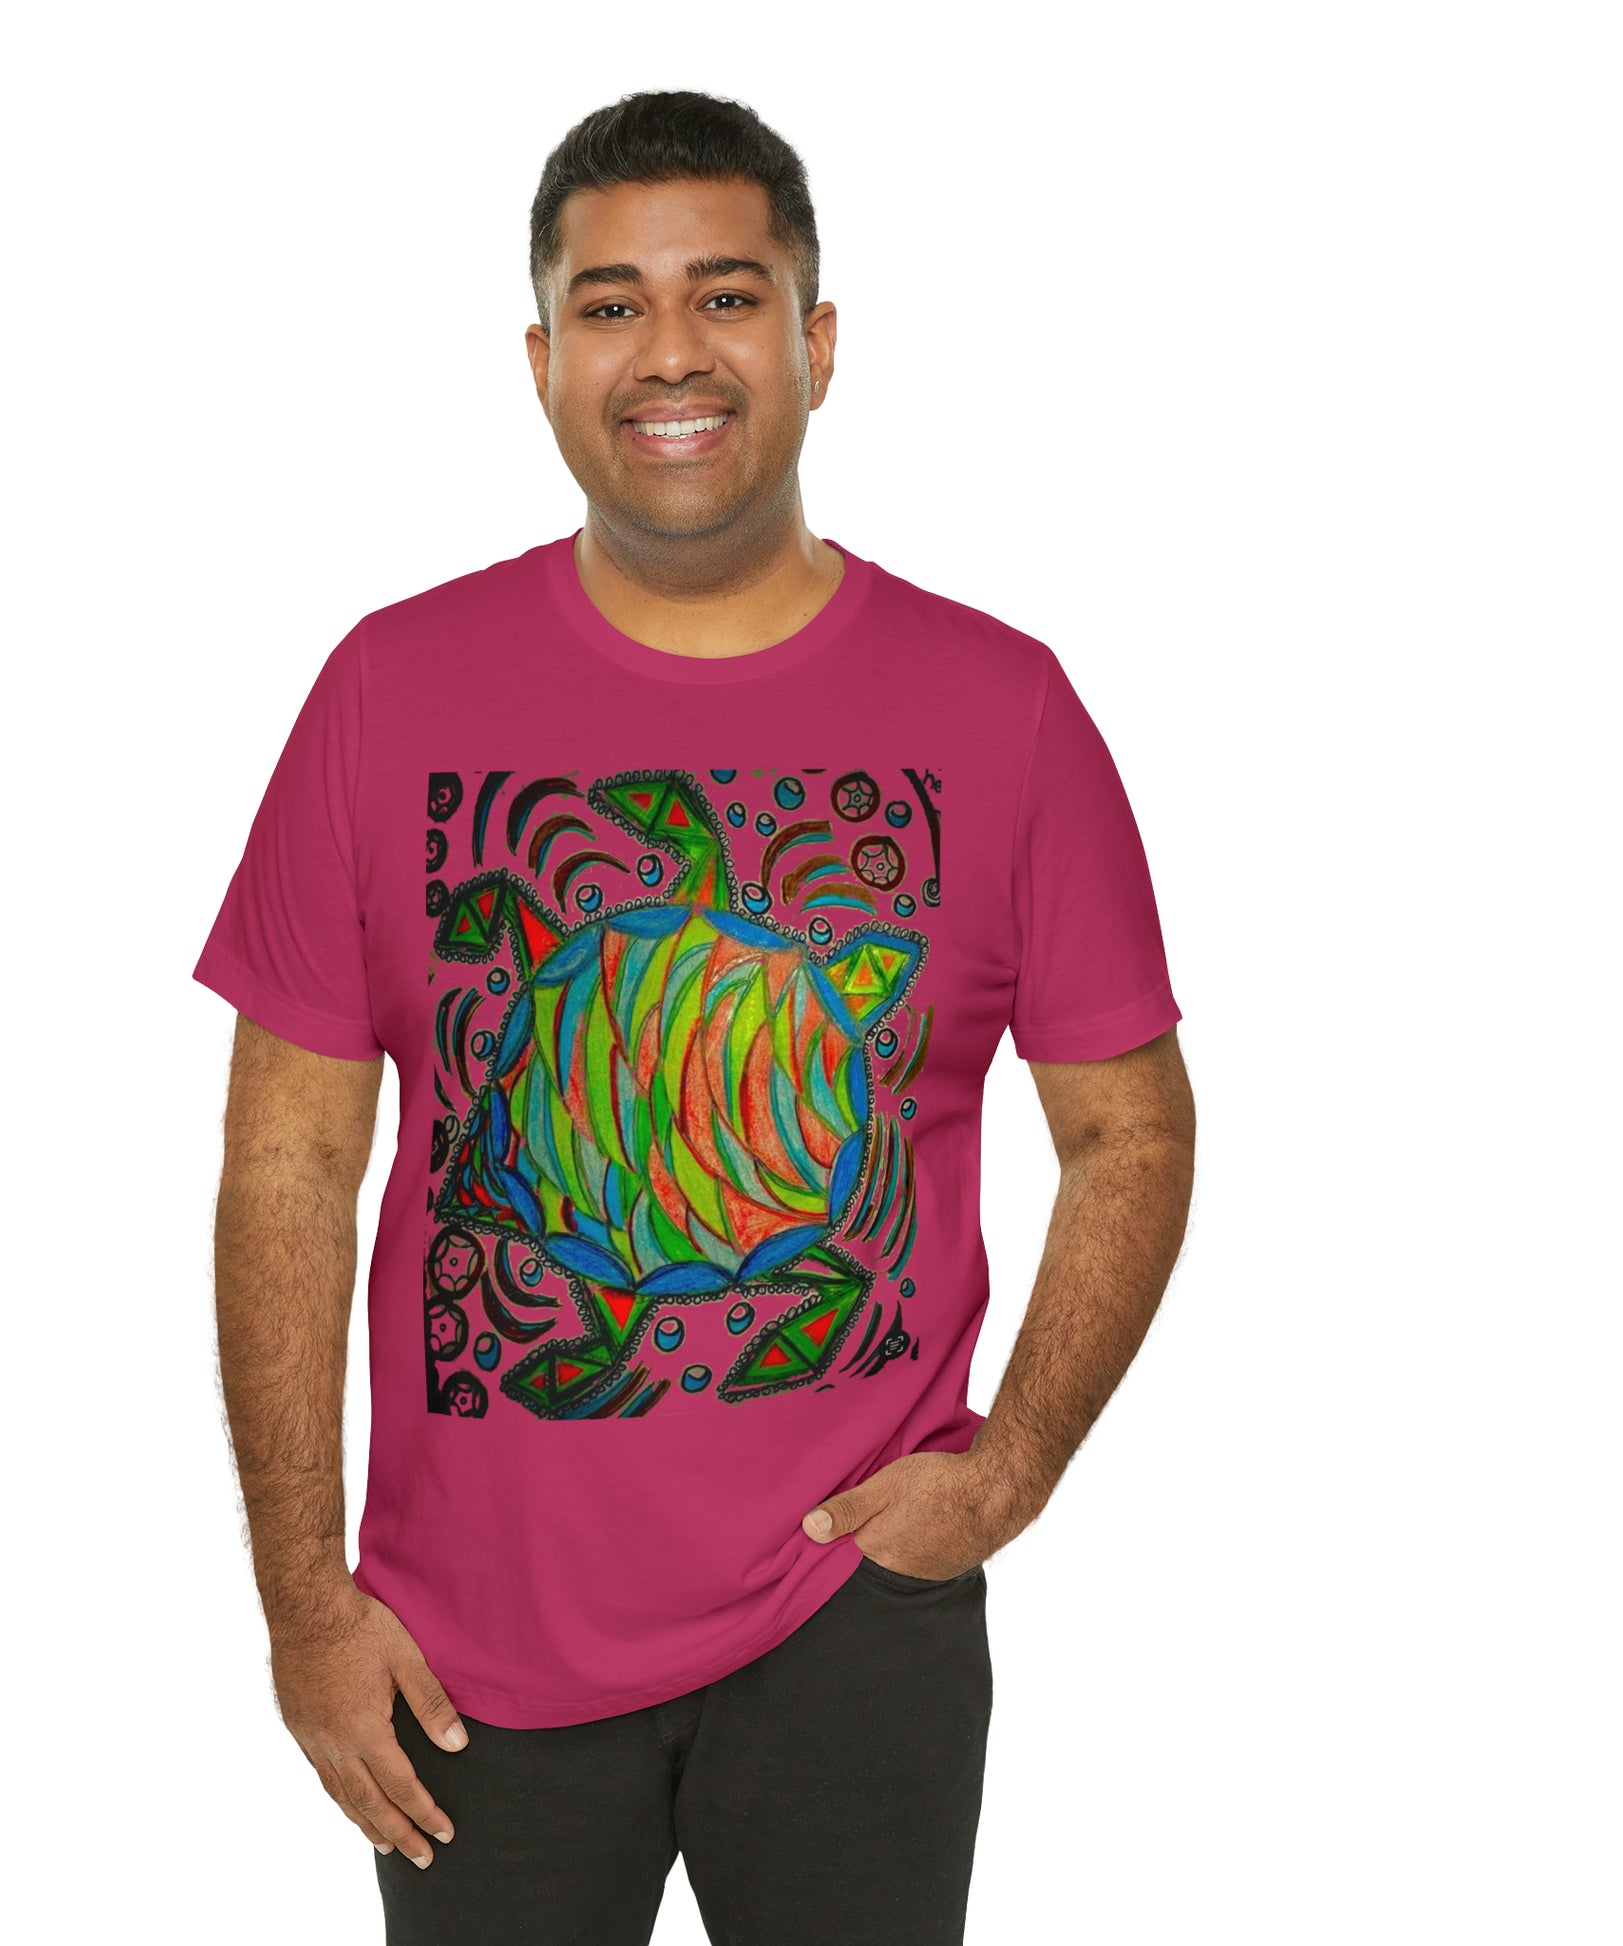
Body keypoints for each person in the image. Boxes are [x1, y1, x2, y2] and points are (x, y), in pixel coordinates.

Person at [195, 89, 1195, 1946]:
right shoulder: (387, 690)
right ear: (541, 361)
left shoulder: (1003, 709)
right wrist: (301, 1602)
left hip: (851, 1621)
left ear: (817, 343)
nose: (670, 351)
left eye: (726, 296)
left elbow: (1127, 1127)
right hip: (463, 1652)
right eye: (611, 304)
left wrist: (1011, 1467)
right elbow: (287, 1168)